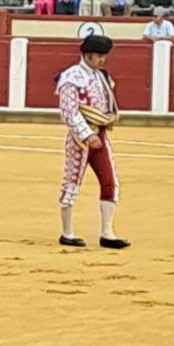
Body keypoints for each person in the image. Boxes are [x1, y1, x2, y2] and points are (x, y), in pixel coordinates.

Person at [55, 34, 129, 249]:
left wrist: (110, 116)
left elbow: (107, 104)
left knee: (110, 182)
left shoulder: (101, 76)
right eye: (98, 56)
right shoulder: (71, 77)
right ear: (86, 55)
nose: (102, 60)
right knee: (72, 182)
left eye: (104, 56)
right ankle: (67, 233)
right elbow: (69, 112)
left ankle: (107, 233)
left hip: (100, 135)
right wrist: (88, 134)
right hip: (80, 139)